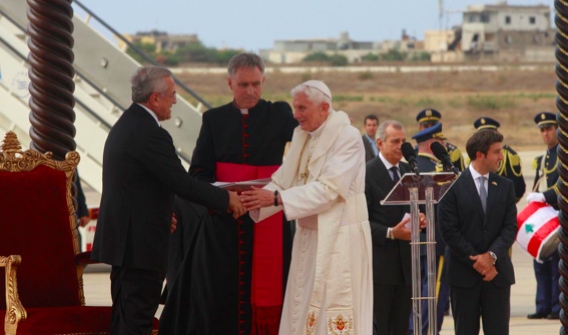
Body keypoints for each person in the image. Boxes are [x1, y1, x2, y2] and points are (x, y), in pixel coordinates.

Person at [91, 66, 244, 335]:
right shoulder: (151, 134)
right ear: (155, 99)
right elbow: (182, 183)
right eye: (172, 95)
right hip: (139, 247)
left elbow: (137, 188)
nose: (175, 100)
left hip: (128, 243)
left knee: (125, 319)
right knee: (136, 322)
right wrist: (225, 198)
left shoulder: (127, 124)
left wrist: (161, 215)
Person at [160, 52, 297, 335]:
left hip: (268, 219)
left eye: (256, 84)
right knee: (222, 296)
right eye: (244, 85)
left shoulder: (279, 114)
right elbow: (198, 173)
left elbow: (306, 141)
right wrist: (223, 198)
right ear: (229, 84)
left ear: (264, 81)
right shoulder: (214, 120)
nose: (251, 91)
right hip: (224, 225)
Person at [241, 80, 373, 335]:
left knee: (332, 308)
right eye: (295, 107)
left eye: (302, 108)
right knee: (302, 307)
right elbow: (283, 179)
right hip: (309, 236)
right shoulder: (302, 135)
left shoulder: (347, 137)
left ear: (324, 107)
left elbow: (329, 191)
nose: (295, 115)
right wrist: (250, 201)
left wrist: (278, 199)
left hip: (339, 238)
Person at [438, 129, 518, 335]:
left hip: (497, 275)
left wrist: (491, 257)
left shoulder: (505, 186)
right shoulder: (451, 187)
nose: (501, 157)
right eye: (496, 152)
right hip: (464, 276)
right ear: (480, 155)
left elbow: (510, 228)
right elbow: (449, 231)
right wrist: (479, 262)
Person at [365, 120, 425, 335]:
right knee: (381, 326)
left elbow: (414, 208)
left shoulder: (409, 170)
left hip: (407, 265)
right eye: (395, 141)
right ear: (380, 143)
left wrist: (421, 219)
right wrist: (390, 233)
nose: (401, 145)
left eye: (403, 141)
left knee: (401, 327)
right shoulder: (367, 173)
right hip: (380, 266)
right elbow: (360, 221)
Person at [408, 122, 449, 335]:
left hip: (417, 242)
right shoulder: (435, 170)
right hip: (436, 241)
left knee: (419, 291)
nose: (444, 145)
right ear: (433, 144)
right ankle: (425, 331)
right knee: (434, 293)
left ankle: (416, 330)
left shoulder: (412, 167)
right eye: (441, 142)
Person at [525, 111, 560, 320]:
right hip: (543, 215)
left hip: (556, 213)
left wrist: (545, 195)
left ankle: (556, 307)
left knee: (556, 264)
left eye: (549, 129)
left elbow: (563, 186)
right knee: (540, 262)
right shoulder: (543, 158)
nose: (545, 134)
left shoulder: (563, 154)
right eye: (542, 130)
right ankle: (543, 305)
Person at [473, 117, 526, 202]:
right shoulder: (474, 156)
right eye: (482, 135)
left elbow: (518, 189)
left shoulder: (508, 156)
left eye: (489, 135)